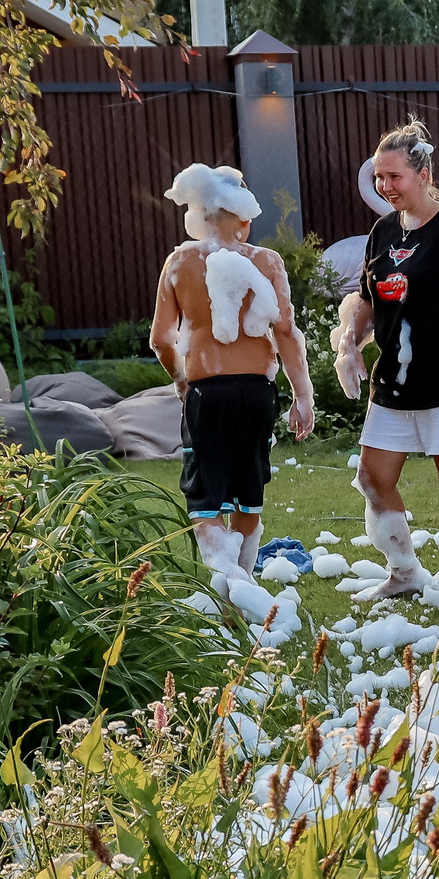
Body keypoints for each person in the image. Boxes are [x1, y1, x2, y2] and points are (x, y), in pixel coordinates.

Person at [332, 121, 439, 603]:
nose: (386, 187)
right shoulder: (383, 230)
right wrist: (350, 339)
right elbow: (369, 299)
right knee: (372, 478)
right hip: (393, 384)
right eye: (380, 178)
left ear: (423, 173)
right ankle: (405, 572)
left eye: (395, 177)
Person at [149, 165, 317, 580]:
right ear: (244, 216)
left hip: (209, 393)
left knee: (204, 501)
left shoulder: (181, 262)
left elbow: (161, 339)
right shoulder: (268, 262)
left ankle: (227, 584)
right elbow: (287, 334)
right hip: (258, 393)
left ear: (200, 213)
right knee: (248, 495)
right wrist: (303, 396)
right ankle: (241, 587)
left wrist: (180, 379)